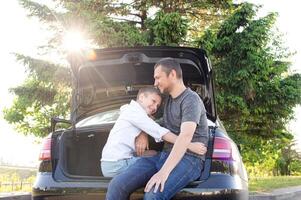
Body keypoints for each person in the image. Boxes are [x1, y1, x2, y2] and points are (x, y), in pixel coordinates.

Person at [106, 58, 209, 200]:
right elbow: (150, 122)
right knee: (116, 185)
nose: (155, 83)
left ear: (172, 74)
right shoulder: (168, 101)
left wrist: (163, 172)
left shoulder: (191, 100)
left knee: (153, 195)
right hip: (163, 156)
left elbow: (185, 136)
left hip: (190, 159)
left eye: (157, 77)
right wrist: (142, 133)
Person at [101, 87, 207, 177]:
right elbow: (161, 132)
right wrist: (190, 145)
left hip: (112, 162)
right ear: (142, 97)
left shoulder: (131, 110)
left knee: (154, 153)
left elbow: (150, 122)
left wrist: (143, 133)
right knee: (161, 160)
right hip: (116, 165)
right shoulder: (135, 114)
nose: (155, 107)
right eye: (153, 101)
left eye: (157, 105)